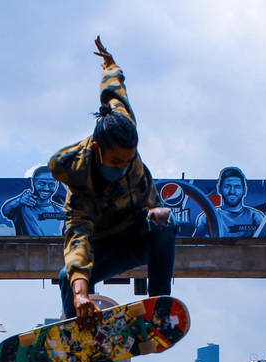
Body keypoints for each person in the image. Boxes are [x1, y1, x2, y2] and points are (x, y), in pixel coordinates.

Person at [50, 37, 175, 329]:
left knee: (165, 222)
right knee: (66, 278)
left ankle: (158, 307)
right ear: (97, 150)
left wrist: (109, 64)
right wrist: (82, 293)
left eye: (130, 160)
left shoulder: (122, 121)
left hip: (137, 233)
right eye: (117, 162)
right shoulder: (81, 181)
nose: (124, 167)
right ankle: (77, 329)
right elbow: (78, 238)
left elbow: (115, 91)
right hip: (104, 245)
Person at [192, 166, 264, 238]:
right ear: (219, 189)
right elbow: (197, 245)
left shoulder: (255, 217)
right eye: (227, 186)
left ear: (244, 190)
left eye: (237, 187)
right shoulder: (208, 217)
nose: (232, 191)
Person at [1, 166, 66, 235]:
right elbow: (6, 210)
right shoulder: (21, 207)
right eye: (42, 183)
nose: (46, 188)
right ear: (33, 182)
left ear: (57, 185)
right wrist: (19, 200)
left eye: (51, 184)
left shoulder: (62, 212)